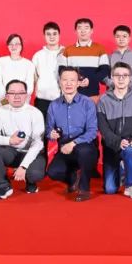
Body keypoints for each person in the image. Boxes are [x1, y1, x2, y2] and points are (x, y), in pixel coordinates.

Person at [97, 62, 132, 199]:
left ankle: (131, 185)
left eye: (125, 75)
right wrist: (117, 141)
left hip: (129, 143)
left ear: (130, 78)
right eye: (117, 75)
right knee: (110, 189)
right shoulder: (103, 101)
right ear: (112, 78)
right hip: (111, 146)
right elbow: (103, 128)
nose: (121, 79)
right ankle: (122, 168)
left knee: (129, 149)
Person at [0, 79, 47, 199]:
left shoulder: (35, 113)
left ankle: (31, 182)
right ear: (7, 96)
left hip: (31, 153)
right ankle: (4, 186)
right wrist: (9, 140)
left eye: (21, 93)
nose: (16, 96)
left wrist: (23, 166)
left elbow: (38, 144)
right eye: (12, 93)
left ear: (26, 95)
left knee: (35, 174)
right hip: (11, 152)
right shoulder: (0, 111)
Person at [46, 67, 99, 201]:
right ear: (60, 82)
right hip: (64, 147)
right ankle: (74, 178)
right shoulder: (54, 105)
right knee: (52, 172)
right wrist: (51, 134)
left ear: (78, 83)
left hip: (84, 144)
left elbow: (92, 131)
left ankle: (84, 189)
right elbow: (48, 129)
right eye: (65, 80)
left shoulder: (88, 103)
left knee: (84, 152)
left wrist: (74, 143)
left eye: (72, 80)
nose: (68, 83)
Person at [58, 18, 110, 101]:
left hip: (92, 94)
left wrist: (90, 80)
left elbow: (104, 70)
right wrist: (76, 81)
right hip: (71, 95)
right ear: (75, 31)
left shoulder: (100, 49)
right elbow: (61, 71)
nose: (83, 31)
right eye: (79, 28)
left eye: (86, 28)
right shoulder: (68, 50)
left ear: (91, 30)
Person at [31, 21, 63, 119]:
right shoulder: (38, 56)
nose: (51, 37)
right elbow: (34, 78)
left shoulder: (66, 53)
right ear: (44, 36)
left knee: (60, 127)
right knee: (41, 127)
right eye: (48, 34)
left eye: (54, 34)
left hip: (62, 99)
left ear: (59, 35)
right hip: (41, 100)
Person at [0, 33, 35, 107]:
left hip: (23, 104)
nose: (14, 46)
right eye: (11, 44)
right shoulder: (1, 61)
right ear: (8, 46)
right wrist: (6, 103)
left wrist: (19, 100)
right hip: (4, 103)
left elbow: (29, 88)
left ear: (21, 46)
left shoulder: (29, 64)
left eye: (17, 44)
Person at [105, 25, 132, 93]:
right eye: (118, 36)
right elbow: (105, 77)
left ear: (129, 38)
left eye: (124, 36)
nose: (121, 39)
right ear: (114, 38)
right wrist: (114, 84)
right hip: (113, 92)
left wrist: (129, 84)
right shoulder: (110, 56)